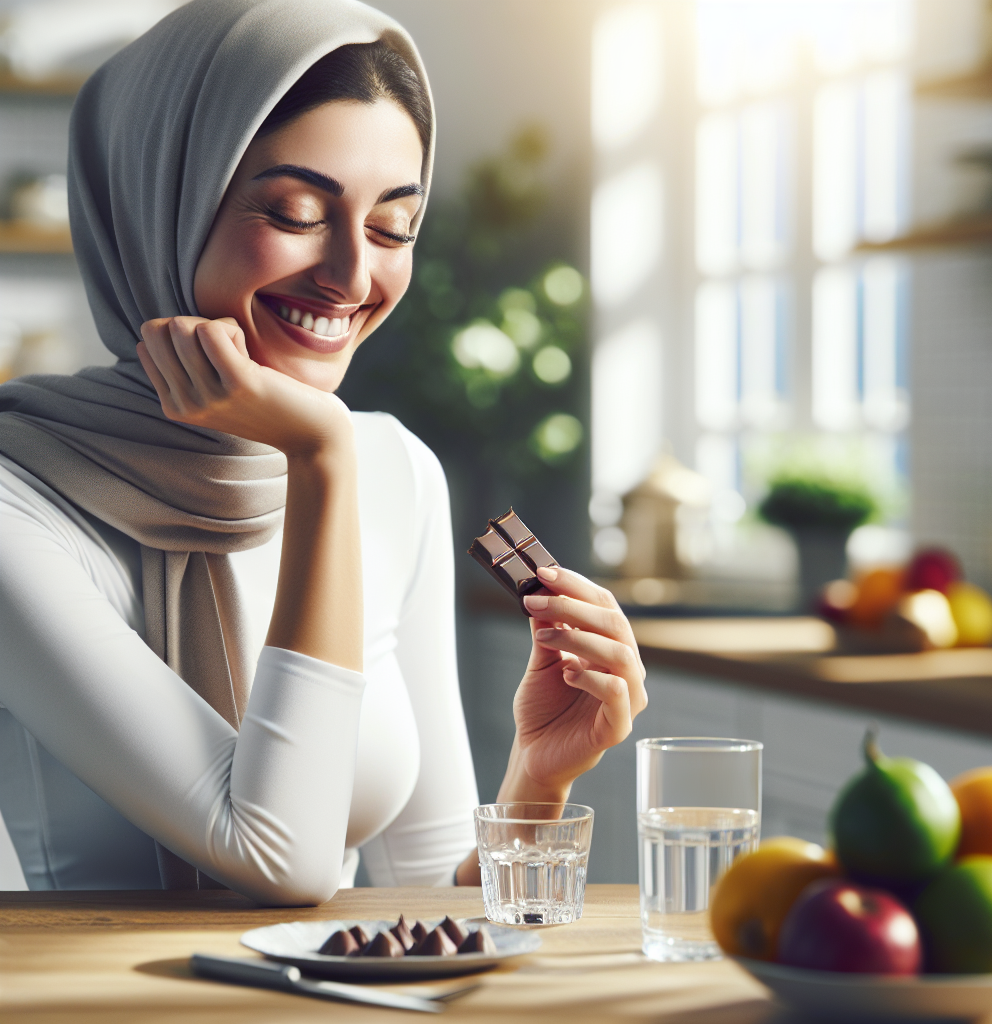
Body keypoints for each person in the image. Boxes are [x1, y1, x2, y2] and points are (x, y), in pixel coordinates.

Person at [0, 0, 646, 904]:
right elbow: (278, 854)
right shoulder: (17, 504)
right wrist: (321, 457)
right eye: (296, 212)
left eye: (392, 228)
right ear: (160, 201)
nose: (349, 276)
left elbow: (428, 902)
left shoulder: (395, 473)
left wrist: (537, 780)